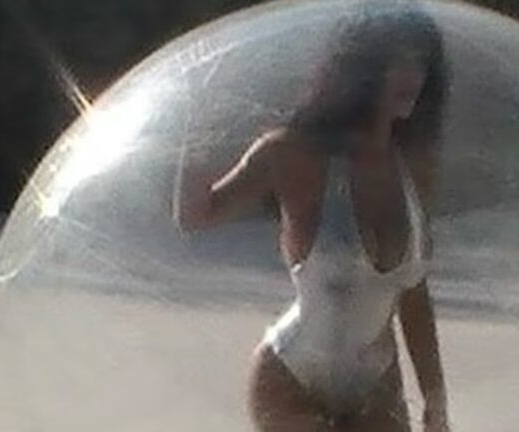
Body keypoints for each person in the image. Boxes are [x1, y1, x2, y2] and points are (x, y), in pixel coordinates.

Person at [174, 2, 450, 430]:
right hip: (291, 377)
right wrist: (197, 114)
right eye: (399, 62)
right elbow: (196, 215)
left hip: (378, 382)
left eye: (420, 63)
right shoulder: (292, 154)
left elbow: (413, 293)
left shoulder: (414, 166)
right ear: (362, 67)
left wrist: (435, 397)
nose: (413, 77)